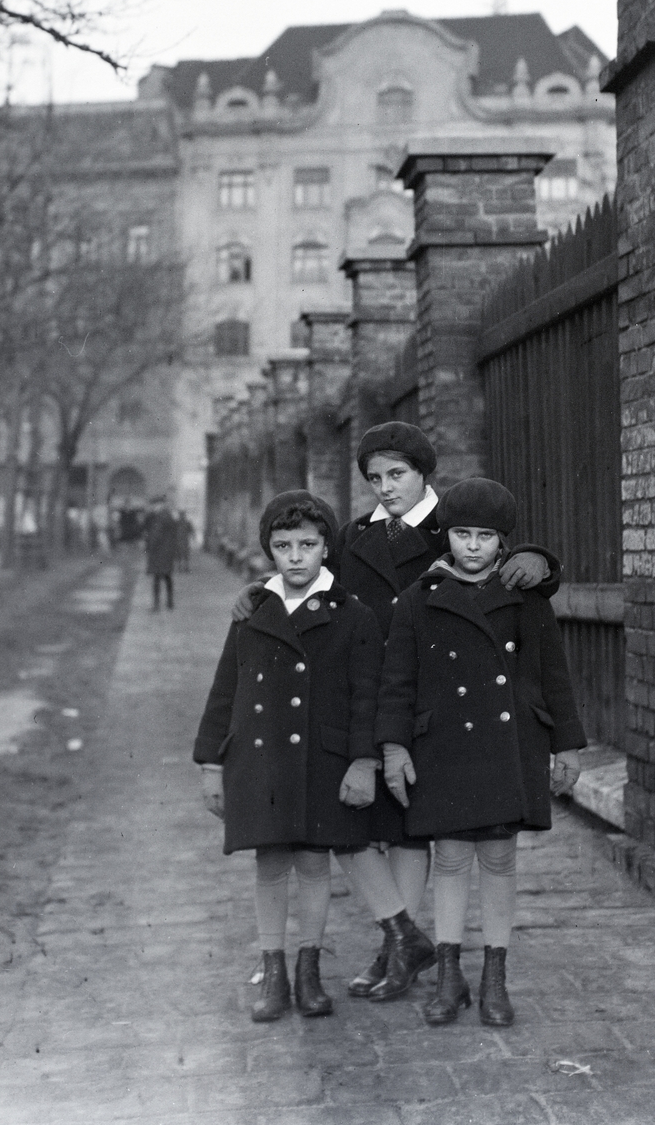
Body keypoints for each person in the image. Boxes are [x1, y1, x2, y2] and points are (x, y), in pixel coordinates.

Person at [230, 420, 562, 1002]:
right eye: (374, 478)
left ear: (424, 473)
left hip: (436, 702)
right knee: (368, 823)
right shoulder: (356, 535)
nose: (385, 488)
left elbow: (503, 563)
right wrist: (262, 591)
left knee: (418, 830)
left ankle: (404, 951)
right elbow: (312, 577)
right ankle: (401, 940)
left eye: (397, 475)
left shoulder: (451, 526)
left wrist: (540, 560)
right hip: (368, 695)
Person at [194, 490, 435, 1020]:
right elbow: (225, 689)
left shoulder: (353, 614)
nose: (296, 557)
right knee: (270, 862)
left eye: (307, 544)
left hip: (321, 760)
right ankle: (274, 974)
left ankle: (309, 972)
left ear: (327, 547)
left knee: (312, 864)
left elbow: (366, 697)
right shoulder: (253, 611)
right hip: (261, 762)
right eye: (283, 547)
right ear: (269, 551)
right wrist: (212, 764)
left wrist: (363, 761)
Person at [376, 477, 586, 1028]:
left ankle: (495, 977)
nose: (473, 546)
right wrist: (394, 747)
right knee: (449, 858)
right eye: (462, 534)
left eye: (486, 536)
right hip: (442, 745)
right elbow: (397, 682)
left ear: (502, 541)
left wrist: (567, 745)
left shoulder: (526, 598)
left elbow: (554, 676)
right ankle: (449, 975)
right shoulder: (419, 598)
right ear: (446, 536)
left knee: (498, 858)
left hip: (508, 745)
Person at [145, 496, 179, 611]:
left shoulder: (160, 517)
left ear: (159, 505)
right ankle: (170, 602)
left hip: (159, 552)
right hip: (167, 552)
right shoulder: (169, 515)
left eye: (154, 506)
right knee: (167, 577)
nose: (152, 508)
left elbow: (156, 535)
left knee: (157, 578)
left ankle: (156, 605)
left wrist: (149, 546)